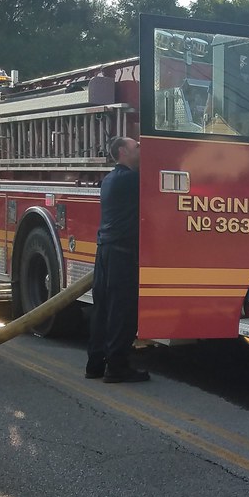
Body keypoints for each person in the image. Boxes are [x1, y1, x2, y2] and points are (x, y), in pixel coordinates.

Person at [86, 136, 149, 383]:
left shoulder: (111, 179)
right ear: (123, 151)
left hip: (106, 253)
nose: (141, 150)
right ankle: (117, 368)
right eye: (137, 147)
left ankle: (95, 364)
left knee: (103, 310)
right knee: (122, 312)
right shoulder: (130, 180)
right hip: (121, 256)